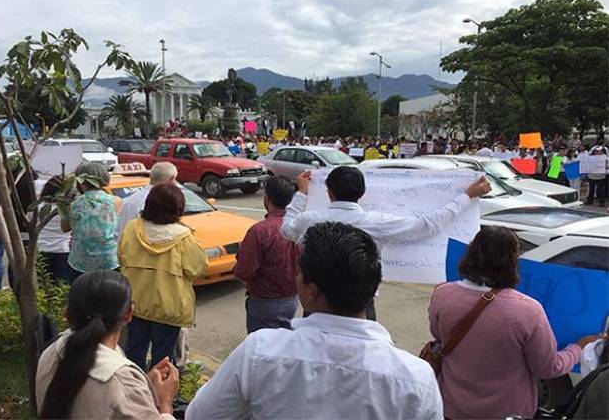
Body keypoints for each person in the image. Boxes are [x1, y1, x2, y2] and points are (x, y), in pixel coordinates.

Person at [185, 222, 443, 419]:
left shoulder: (260, 351)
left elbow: (202, 414)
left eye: (298, 273)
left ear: (311, 290)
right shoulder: (416, 378)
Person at [428, 226, 598, 419]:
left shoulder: (443, 293)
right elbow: (548, 368)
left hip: (451, 407)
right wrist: (577, 348)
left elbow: (438, 334)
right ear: (512, 261)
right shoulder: (527, 310)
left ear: (471, 253)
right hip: (506, 413)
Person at [281, 166, 491, 320]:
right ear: (361, 193)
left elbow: (286, 229)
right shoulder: (376, 223)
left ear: (329, 192)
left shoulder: (310, 220)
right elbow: (426, 225)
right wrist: (467, 196)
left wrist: (301, 194)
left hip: (317, 300)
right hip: (359, 305)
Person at [36, 271, 179, 419]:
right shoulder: (121, 383)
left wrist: (142, 385)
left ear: (66, 313)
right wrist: (165, 403)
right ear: (129, 313)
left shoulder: (50, 353)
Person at [119, 183, 207, 371]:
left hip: (136, 303)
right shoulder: (184, 237)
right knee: (164, 358)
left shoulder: (132, 228)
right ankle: (162, 397)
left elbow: (121, 256)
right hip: (169, 308)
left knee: (134, 351)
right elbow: (197, 268)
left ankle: (133, 392)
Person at [234, 177, 301, 333]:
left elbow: (244, 271)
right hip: (292, 299)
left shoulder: (261, 231)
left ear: (267, 198)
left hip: (265, 301)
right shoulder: (300, 226)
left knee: (263, 348)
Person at [61, 162, 122, 281]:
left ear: (80, 180)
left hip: (81, 262)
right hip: (109, 260)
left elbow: (65, 228)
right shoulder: (116, 201)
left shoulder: (73, 205)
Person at [117, 162, 178, 235]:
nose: (175, 183)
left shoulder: (130, 201)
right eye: (175, 179)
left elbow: (121, 232)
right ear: (171, 179)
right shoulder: (163, 203)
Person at [38, 176, 72, 283]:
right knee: (62, 287)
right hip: (63, 250)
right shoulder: (68, 208)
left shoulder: (39, 208)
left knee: (44, 286)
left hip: (41, 249)